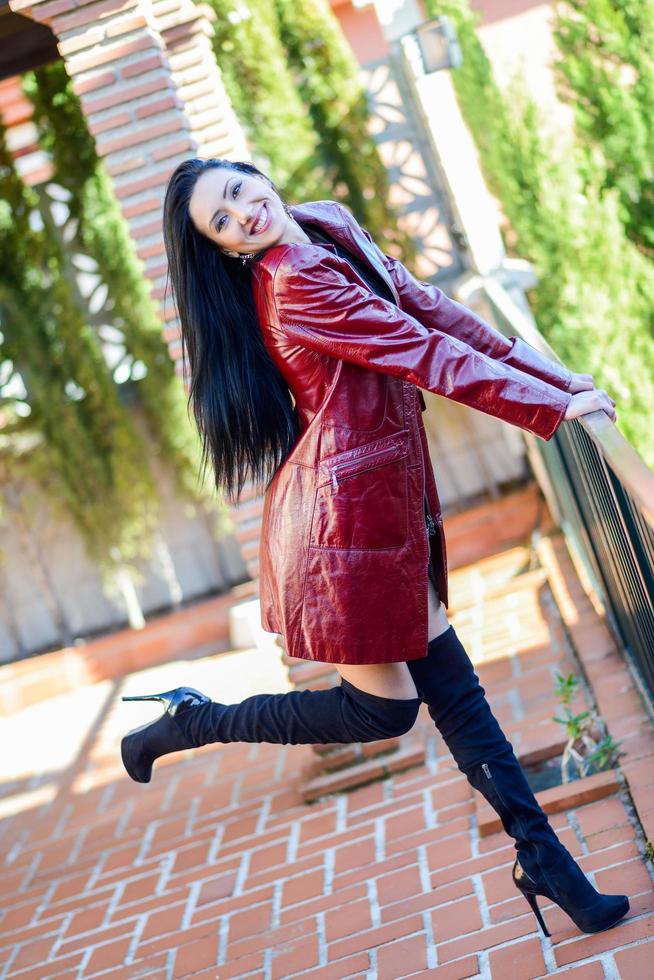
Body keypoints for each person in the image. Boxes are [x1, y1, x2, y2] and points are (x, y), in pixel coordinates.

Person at [121, 158, 627, 938]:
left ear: (255, 173)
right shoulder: (294, 283)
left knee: (455, 696)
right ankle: (195, 721)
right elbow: (420, 351)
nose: (243, 214)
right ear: (226, 252)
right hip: (343, 523)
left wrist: (556, 381)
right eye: (222, 224)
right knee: (386, 713)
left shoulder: (325, 220)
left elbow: (435, 313)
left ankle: (547, 861)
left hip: (382, 494)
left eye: (237, 192)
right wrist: (551, 410)